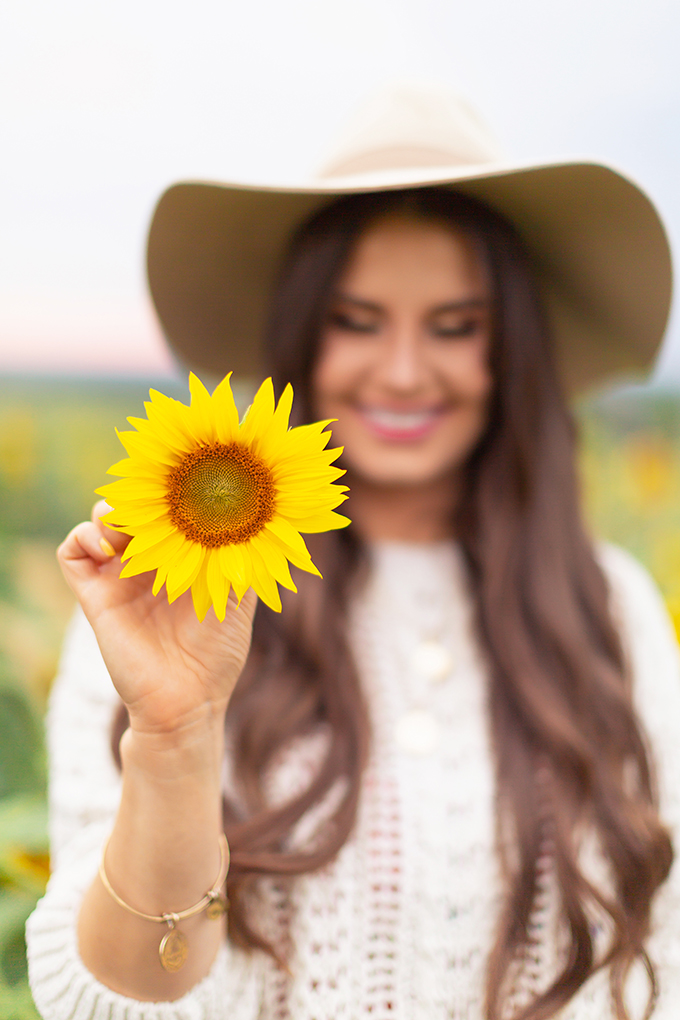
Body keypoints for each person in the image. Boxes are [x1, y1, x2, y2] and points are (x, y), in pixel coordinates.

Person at [26, 86, 680, 1020]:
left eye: (456, 325)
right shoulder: (170, 589)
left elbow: (663, 958)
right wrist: (176, 738)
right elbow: (116, 995)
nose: (405, 371)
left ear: (510, 351)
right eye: (356, 319)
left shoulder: (611, 605)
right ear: (301, 331)